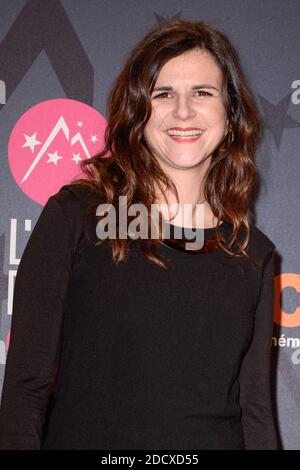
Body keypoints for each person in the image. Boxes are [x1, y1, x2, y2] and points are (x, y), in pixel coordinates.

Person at [0, 19, 278, 450]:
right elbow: (24, 387)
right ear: (138, 112)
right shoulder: (77, 217)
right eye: (163, 93)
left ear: (231, 113)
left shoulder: (253, 254)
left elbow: (256, 415)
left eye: (202, 93)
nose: (183, 111)